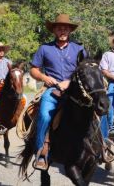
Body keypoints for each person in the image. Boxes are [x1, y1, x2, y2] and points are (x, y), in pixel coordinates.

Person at [30, 14, 86, 170]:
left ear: (70, 30)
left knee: (96, 111)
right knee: (43, 114)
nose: (63, 30)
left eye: (66, 28)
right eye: (59, 27)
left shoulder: (79, 48)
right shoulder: (44, 48)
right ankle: (41, 152)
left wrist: (71, 81)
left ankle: (103, 146)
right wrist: (44, 77)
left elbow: (86, 68)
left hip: (75, 89)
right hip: (53, 90)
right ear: (54, 30)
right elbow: (33, 69)